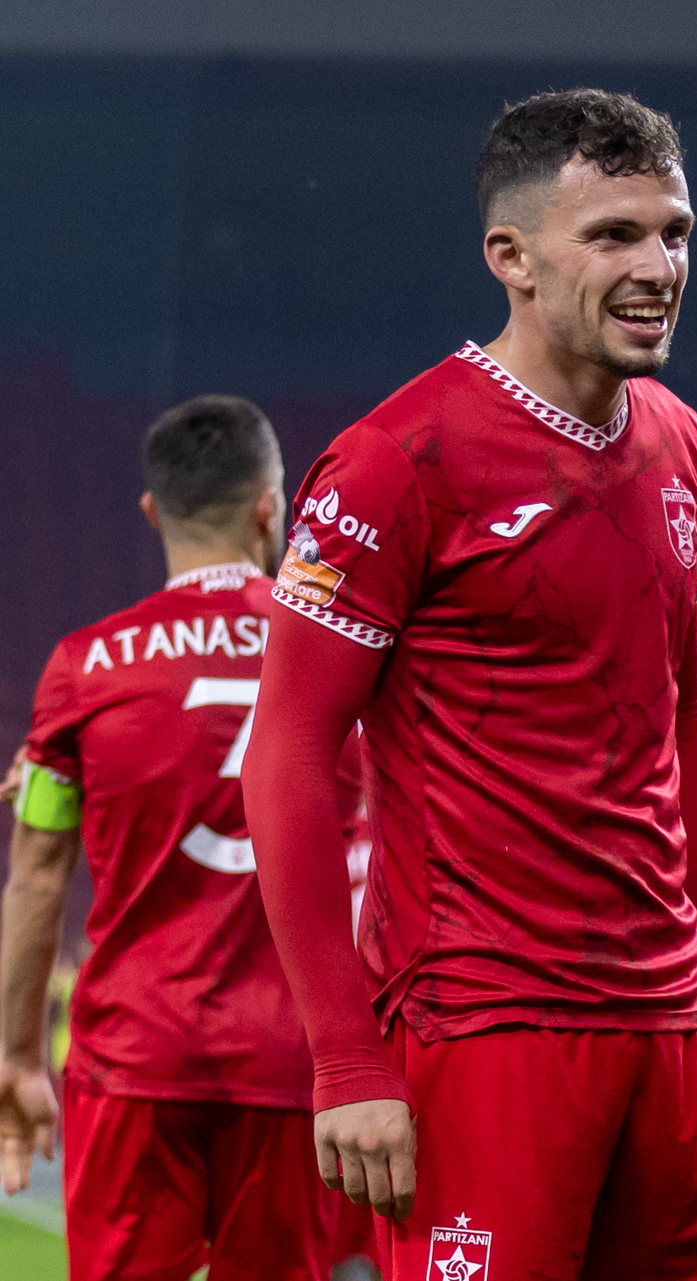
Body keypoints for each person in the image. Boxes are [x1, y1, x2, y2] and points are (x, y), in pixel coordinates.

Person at [241, 90, 697, 1279]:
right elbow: (285, 753)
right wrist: (345, 1056)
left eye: (675, 233)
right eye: (614, 236)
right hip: (486, 1021)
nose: (658, 267)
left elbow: (684, 731)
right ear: (513, 258)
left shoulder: (683, 443)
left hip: (678, 1021)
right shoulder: (395, 463)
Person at [0, 396, 373, 1278]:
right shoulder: (351, 657)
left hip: (136, 1055)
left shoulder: (83, 669)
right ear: (271, 508)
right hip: (298, 1059)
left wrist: (17, 1058)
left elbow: (37, 874)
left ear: (151, 511)